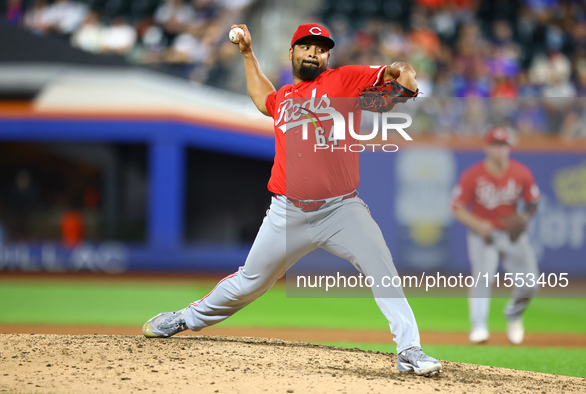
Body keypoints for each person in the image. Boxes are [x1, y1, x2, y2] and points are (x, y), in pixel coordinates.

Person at [143, 23, 442, 376]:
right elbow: (262, 99)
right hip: (287, 212)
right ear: (292, 52)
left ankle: (409, 349)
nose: (314, 52)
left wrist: (402, 73)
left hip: (342, 210)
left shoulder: (344, 81)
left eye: (321, 47)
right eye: (306, 45)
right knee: (249, 282)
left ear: (328, 55)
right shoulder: (283, 98)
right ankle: (184, 318)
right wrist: (247, 54)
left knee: (383, 269)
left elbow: (394, 82)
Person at [451, 126, 540, 345]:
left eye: (504, 145)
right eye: (496, 145)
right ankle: (479, 327)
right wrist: (477, 224)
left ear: (509, 148)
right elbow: (457, 207)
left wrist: (525, 218)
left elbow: (532, 202)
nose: (500, 150)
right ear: (487, 147)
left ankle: (514, 315)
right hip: (484, 234)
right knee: (482, 278)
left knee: (530, 283)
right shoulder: (473, 175)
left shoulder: (521, 172)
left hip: (511, 234)